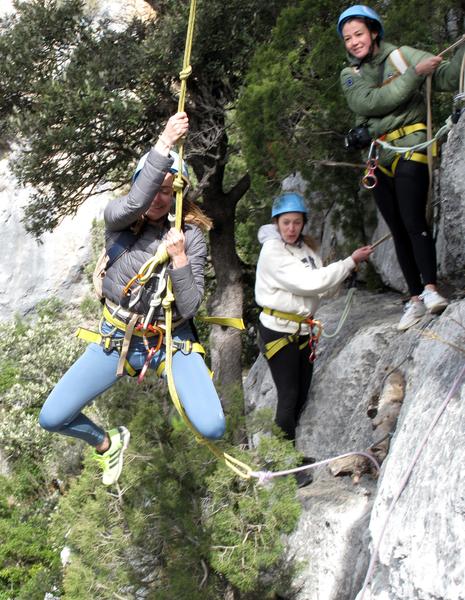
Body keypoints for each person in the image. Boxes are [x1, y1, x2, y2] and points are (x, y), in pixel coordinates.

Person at [39, 111, 226, 486]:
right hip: (116, 339)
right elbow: (136, 202)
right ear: (139, 184)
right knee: (53, 417)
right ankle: (107, 443)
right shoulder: (118, 219)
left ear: (179, 195)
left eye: (167, 191)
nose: (158, 197)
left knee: (213, 426)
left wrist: (179, 259)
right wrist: (165, 142)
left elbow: (190, 307)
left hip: (169, 342)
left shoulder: (190, 236)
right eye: (152, 186)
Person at [338, 5, 465, 331]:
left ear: (373, 32)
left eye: (358, 34)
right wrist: (413, 75)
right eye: (348, 38)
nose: (353, 42)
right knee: (397, 228)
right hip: (377, 157)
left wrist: (461, 50)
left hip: (411, 146)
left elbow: (449, 76)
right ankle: (414, 299)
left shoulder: (402, 56)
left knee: (412, 219)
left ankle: (430, 289)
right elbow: (368, 103)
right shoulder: (350, 74)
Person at [255, 192, 372, 485]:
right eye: (286, 222)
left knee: (301, 395)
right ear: (276, 223)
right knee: (288, 396)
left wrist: (346, 272)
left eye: (296, 222)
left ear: (303, 223)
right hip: (279, 330)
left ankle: (288, 453)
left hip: (302, 330)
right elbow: (309, 282)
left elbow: (321, 288)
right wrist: (348, 263)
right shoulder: (273, 251)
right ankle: (284, 465)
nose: (291, 228)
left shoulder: (306, 250)